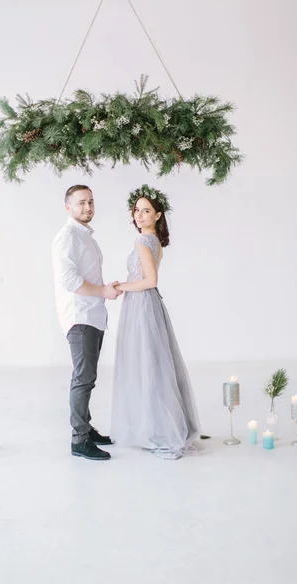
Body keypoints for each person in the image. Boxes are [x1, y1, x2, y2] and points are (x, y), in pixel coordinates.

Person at [110, 184, 201, 459]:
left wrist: (120, 286)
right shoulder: (153, 241)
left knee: (147, 365)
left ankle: (159, 429)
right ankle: (158, 424)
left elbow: (150, 280)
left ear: (158, 215)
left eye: (146, 210)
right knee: (153, 364)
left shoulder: (143, 241)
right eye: (136, 210)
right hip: (145, 304)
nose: (139, 215)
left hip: (142, 304)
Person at [52, 185, 122, 461]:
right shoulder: (67, 236)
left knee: (88, 377)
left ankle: (86, 428)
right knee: (83, 378)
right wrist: (103, 291)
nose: (88, 208)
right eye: (81, 203)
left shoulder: (84, 236)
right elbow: (68, 280)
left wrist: (104, 291)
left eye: (91, 202)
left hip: (92, 314)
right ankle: (79, 440)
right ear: (68, 207)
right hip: (79, 316)